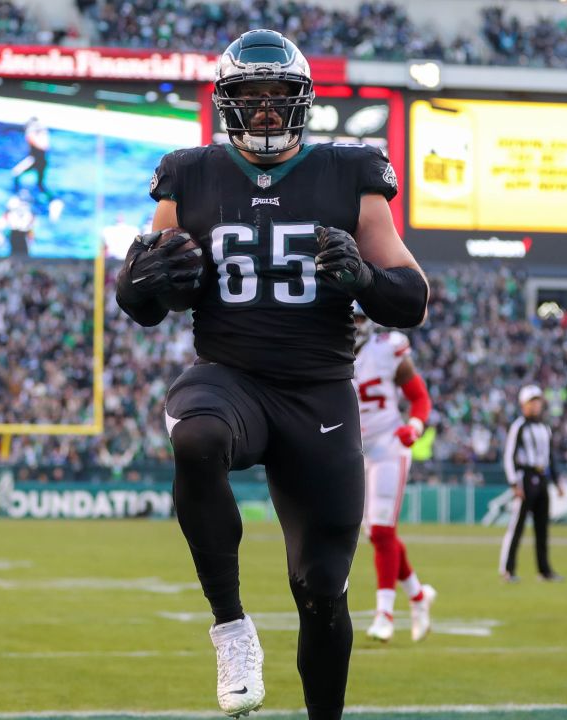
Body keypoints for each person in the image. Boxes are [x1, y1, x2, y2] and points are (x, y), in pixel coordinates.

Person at [114, 29, 427, 720]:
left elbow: (412, 299)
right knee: (195, 438)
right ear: (226, 103)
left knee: (321, 587)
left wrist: (365, 277)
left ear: (301, 101)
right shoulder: (188, 173)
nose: (261, 110)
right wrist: (141, 277)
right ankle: (231, 628)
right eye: (247, 97)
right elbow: (141, 301)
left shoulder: (351, 171)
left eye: (275, 95)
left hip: (319, 394)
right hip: (231, 376)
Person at [351, 304, 437, 643]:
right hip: (353, 451)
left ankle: (385, 613)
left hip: (388, 444)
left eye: (357, 318)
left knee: (383, 531)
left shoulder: (387, 350)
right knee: (375, 532)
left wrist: (414, 425)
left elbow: (419, 398)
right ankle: (418, 595)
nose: (353, 325)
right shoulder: (326, 350)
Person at [499, 384, 564, 583]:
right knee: (517, 526)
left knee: (542, 527)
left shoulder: (545, 427)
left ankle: (544, 570)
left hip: (542, 477)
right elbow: (509, 456)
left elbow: (550, 457)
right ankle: (508, 569)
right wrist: (514, 483)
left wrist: (557, 480)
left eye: (538, 402)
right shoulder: (519, 426)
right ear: (523, 404)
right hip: (526, 478)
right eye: (532, 402)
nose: (536, 406)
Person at [12, 116, 50, 199]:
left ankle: (48, 199)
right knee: (16, 173)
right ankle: (17, 194)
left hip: (37, 160)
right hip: (36, 159)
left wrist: (32, 135)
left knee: (39, 184)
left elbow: (43, 146)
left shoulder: (38, 133)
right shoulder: (37, 133)